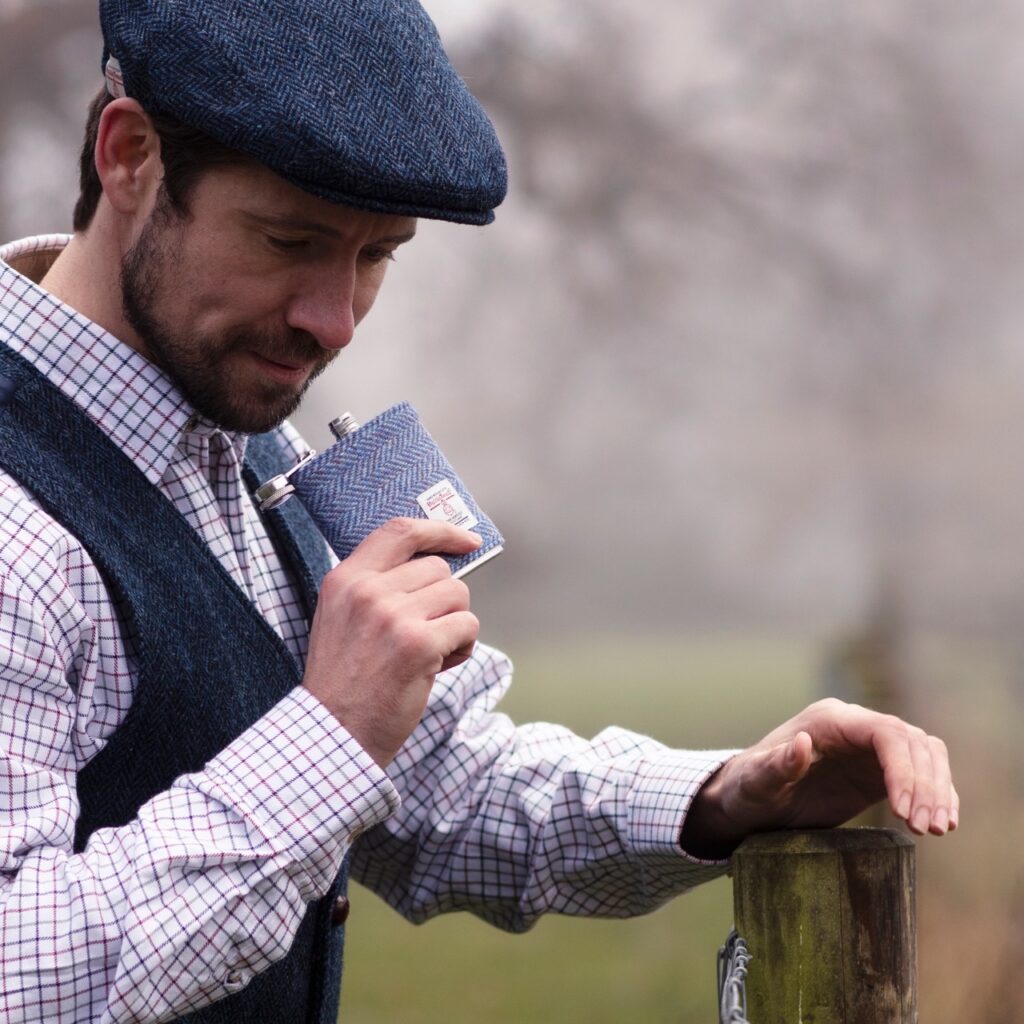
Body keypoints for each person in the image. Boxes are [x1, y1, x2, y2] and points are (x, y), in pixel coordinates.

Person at [0, 1, 956, 1021]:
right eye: (290, 239)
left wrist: (726, 796)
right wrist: (333, 732)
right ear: (131, 154)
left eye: (376, 257)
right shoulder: (17, 523)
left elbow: (433, 787)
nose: (335, 320)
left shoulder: (241, 441)